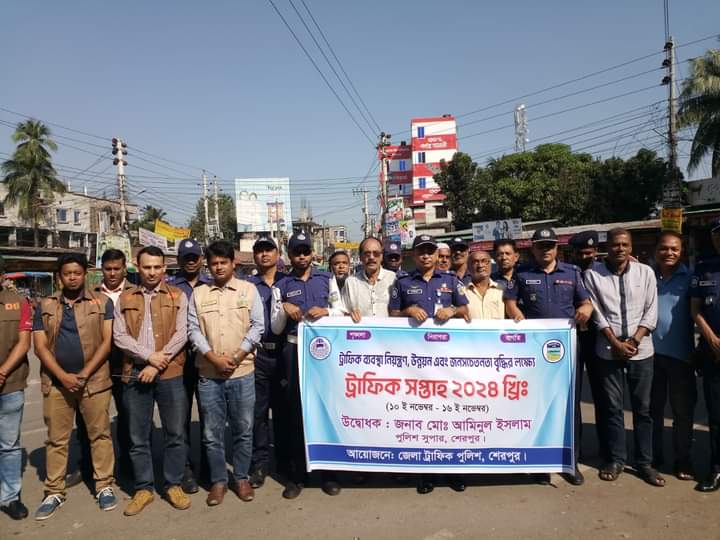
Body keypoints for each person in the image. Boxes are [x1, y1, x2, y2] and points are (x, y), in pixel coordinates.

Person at [504, 227, 593, 486]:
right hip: (533, 352)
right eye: (541, 245)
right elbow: (510, 301)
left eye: (550, 245)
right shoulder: (522, 274)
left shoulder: (572, 273)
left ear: (556, 248)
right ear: (533, 248)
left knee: (569, 405)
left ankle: (570, 461)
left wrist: (587, 309)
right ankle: (540, 463)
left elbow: (585, 302)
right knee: (537, 405)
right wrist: (516, 315)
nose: (546, 250)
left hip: (566, 351)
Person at [32, 253, 117, 520]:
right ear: (59, 277)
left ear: (85, 275)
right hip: (57, 384)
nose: (72, 278)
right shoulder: (45, 305)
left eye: (77, 273)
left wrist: (83, 373)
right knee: (57, 439)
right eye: (67, 273)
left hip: (95, 381)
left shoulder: (101, 302)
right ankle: (54, 490)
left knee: (99, 435)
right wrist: (63, 376)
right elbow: (40, 347)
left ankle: (104, 485)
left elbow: (107, 342)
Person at [389, 233, 469, 494]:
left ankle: (454, 471)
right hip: (416, 364)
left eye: (430, 251)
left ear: (436, 255)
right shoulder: (403, 282)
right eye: (421, 251)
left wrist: (453, 310)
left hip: (448, 362)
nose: (426, 256)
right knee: (423, 418)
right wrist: (408, 311)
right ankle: (426, 473)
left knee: (450, 416)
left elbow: (465, 311)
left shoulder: (451, 281)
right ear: (413, 255)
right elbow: (391, 314)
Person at [114, 246, 190, 516]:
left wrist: (157, 363)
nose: (152, 272)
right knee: (138, 436)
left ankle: (173, 484)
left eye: (157, 267)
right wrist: (148, 358)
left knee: (175, 433)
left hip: (170, 373)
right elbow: (119, 336)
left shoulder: (178, 295)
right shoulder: (125, 298)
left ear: (164, 268)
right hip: (136, 372)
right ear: (138, 267)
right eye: (147, 267)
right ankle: (143, 488)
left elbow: (182, 333)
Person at [583, 228, 662, 487]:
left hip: (642, 350)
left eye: (625, 244)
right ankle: (616, 459)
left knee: (643, 409)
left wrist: (635, 340)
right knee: (612, 408)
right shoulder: (593, 274)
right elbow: (596, 313)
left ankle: (644, 462)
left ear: (631, 246)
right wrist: (615, 342)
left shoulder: (645, 272)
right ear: (607, 247)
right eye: (615, 244)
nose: (620, 249)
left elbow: (651, 310)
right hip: (608, 350)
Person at [188, 240, 264, 507]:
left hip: (242, 371)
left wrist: (237, 356)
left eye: (223, 262)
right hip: (209, 374)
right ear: (207, 266)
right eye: (214, 263)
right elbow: (193, 330)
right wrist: (213, 357)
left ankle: (241, 477)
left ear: (233, 263)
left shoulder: (248, 290)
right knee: (212, 433)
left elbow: (258, 326)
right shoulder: (198, 294)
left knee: (244, 429)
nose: (219, 267)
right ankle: (219, 481)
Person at [270, 231, 340, 499]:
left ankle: (329, 474)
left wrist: (327, 311)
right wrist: (284, 308)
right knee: (295, 414)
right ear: (289, 255)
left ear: (312, 253)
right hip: (293, 350)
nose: (301, 256)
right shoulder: (281, 285)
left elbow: (341, 310)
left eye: (305, 251)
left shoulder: (327, 279)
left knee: (325, 410)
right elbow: (276, 328)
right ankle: (297, 475)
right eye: (296, 252)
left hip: (323, 353)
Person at [167, 238, 212, 494]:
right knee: (180, 419)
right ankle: (184, 468)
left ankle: (208, 466)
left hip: (207, 359)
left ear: (201, 259)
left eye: (195, 257)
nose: (191, 261)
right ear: (179, 260)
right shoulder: (171, 288)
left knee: (209, 416)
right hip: (180, 360)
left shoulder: (212, 285)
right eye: (186, 257)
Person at [650, 231, 695, 481]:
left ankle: (682, 458)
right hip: (649, 356)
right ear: (656, 250)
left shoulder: (691, 278)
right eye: (664, 248)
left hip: (681, 356)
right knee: (652, 411)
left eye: (674, 249)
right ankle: (653, 456)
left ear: (681, 251)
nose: (669, 253)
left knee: (682, 413)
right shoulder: (646, 276)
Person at [245, 236, 286, 489]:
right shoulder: (247, 286)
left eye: (268, 250)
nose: (264, 255)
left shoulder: (288, 282)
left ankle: (284, 461)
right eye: (259, 251)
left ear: (277, 253)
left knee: (284, 413)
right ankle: (259, 463)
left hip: (284, 355)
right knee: (257, 413)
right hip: (257, 355)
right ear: (254, 256)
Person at [568, 231, 607, 462]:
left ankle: (607, 449)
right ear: (572, 253)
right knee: (573, 396)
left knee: (603, 396)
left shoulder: (604, 271)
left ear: (596, 252)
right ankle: (576, 450)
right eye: (580, 253)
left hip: (599, 338)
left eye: (589, 253)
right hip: (572, 338)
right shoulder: (567, 272)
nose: (585, 257)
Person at [0, 255, 32, 521]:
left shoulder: (19, 303)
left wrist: (2, 372)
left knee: (9, 445)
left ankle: (10, 496)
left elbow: (24, 343)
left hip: (10, 385)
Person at [690, 219, 720, 492]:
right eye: (718, 234)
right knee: (716, 414)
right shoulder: (704, 267)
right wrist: (710, 338)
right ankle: (716, 468)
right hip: (714, 352)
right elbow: (696, 309)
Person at [343, 237, 396, 321]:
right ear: (360, 257)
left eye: (376, 253)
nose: (371, 257)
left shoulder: (393, 279)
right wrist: (349, 315)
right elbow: (344, 312)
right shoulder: (351, 282)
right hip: (360, 329)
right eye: (367, 254)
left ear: (382, 256)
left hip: (388, 329)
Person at [466, 250, 504, 320]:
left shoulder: (502, 291)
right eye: (475, 262)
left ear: (490, 265)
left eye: (484, 261)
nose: (480, 265)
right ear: (468, 267)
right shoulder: (461, 293)